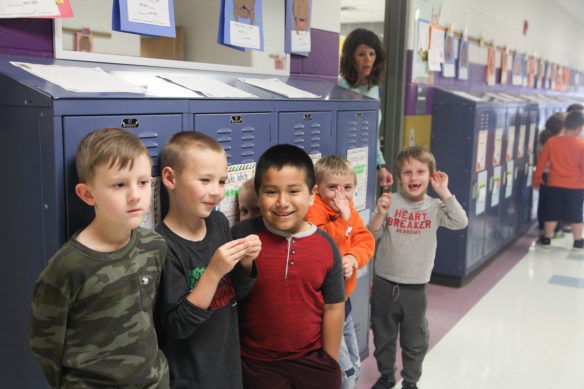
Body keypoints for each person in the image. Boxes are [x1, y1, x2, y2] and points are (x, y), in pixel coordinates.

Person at [29, 127, 170, 388]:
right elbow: (45, 346)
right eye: (119, 184)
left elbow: (151, 319)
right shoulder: (67, 267)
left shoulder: (155, 246)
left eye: (142, 182)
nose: (135, 195)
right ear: (87, 194)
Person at [231, 144, 346, 389]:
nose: (282, 202)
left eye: (294, 191)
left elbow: (334, 308)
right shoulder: (241, 235)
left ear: (313, 193)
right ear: (258, 193)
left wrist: (329, 362)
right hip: (254, 364)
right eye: (271, 192)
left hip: (311, 363)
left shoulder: (326, 246)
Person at [155, 131, 261, 388]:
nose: (216, 192)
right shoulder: (162, 245)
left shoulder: (218, 223)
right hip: (191, 377)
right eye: (205, 180)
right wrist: (213, 273)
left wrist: (246, 262)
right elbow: (177, 326)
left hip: (227, 367)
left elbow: (236, 292)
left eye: (222, 181)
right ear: (170, 178)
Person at [368, 146, 468, 389]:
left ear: (431, 175)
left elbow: (460, 221)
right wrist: (380, 214)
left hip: (415, 286)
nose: (414, 178)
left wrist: (444, 192)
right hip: (384, 282)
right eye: (407, 173)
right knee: (383, 334)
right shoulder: (390, 202)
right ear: (399, 177)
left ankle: (410, 381)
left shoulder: (435, 207)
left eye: (420, 172)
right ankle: (387, 375)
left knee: (415, 339)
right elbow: (373, 234)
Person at [304, 155, 375, 389]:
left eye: (347, 188)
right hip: (326, 306)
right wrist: (344, 222)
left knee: (355, 361)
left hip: (344, 301)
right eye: (332, 187)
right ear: (317, 189)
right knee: (343, 369)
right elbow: (323, 246)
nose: (340, 195)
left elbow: (365, 239)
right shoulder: (314, 209)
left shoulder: (349, 209)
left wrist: (353, 257)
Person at [339, 28, 394, 191]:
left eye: (371, 54)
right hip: (341, 167)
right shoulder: (341, 88)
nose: (367, 60)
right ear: (351, 58)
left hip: (363, 164)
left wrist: (380, 166)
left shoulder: (374, 88)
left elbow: (372, 133)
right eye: (361, 54)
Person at [533, 110, 584, 252]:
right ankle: (578, 242)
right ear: (580, 128)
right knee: (576, 215)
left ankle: (547, 239)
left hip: (554, 183)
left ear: (565, 126)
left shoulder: (552, 142)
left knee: (552, 212)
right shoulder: (581, 145)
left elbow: (541, 163)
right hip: (575, 186)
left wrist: (537, 179)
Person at [536, 112, 566, 236]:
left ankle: (542, 227)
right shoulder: (558, 144)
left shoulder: (541, 141)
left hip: (543, 176)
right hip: (555, 177)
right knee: (556, 205)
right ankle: (556, 230)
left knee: (543, 203)